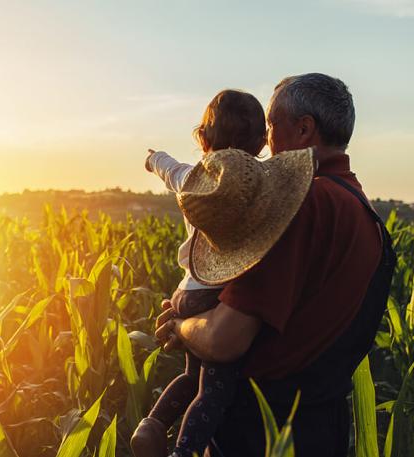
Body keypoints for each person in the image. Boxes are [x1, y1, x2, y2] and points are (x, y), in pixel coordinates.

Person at [155, 73, 395, 456]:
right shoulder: (366, 215)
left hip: (262, 430)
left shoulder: (299, 208)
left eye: (270, 124)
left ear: (303, 130)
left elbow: (223, 339)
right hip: (321, 428)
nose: (265, 140)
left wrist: (180, 327)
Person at [133, 89, 314, 457]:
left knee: (188, 375)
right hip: (215, 295)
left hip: (186, 291)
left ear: (203, 137)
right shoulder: (255, 186)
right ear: (262, 142)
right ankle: (183, 452)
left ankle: (151, 425)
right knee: (213, 391)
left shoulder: (191, 181)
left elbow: (168, 167)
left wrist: (153, 159)